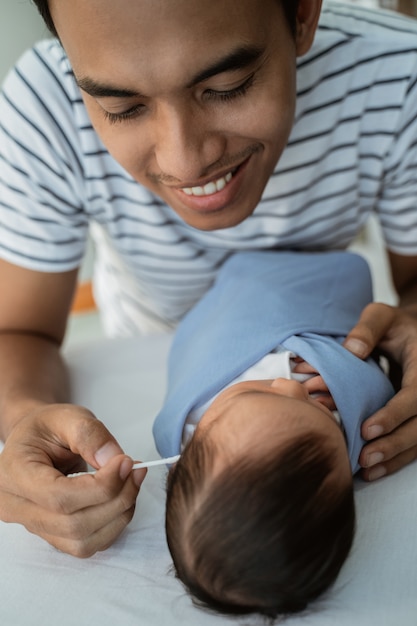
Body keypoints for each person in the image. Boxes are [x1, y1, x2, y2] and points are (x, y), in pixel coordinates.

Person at [0, 0, 417, 558]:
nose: (186, 160)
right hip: (146, 325)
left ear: (302, 15)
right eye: (122, 108)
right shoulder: (44, 106)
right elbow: (19, 331)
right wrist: (25, 419)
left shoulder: (399, 74)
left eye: (227, 85)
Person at [153, 249, 394, 617]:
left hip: (233, 304)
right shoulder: (334, 450)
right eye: (320, 416)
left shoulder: (184, 427)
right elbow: (378, 395)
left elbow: (200, 355)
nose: (290, 386)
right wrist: (340, 376)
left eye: (253, 393)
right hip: (312, 295)